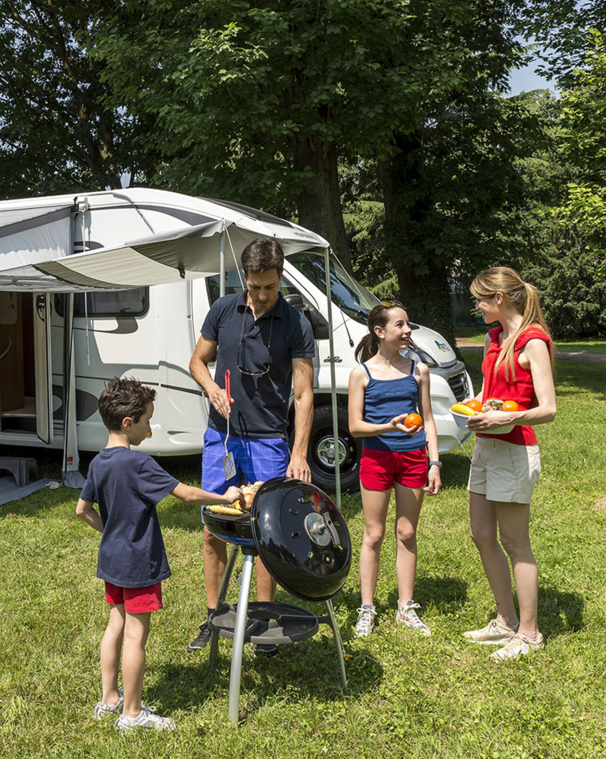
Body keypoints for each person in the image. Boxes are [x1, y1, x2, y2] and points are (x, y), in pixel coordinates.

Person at [76, 376, 241, 732]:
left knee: (115, 625)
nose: (149, 431)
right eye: (147, 421)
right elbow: (187, 495)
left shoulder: (98, 463)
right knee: (137, 635)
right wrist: (225, 497)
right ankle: (132, 714)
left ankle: (109, 699)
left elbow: (82, 510)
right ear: (127, 423)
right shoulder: (138, 465)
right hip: (137, 562)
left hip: (112, 558)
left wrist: (111, 531)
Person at [185, 237, 316, 653]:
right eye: (256, 287)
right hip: (220, 437)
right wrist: (210, 388)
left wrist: (298, 454)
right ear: (244, 277)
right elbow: (196, 361)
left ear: (280, 279)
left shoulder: (296, 323)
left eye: (270, 288)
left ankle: (262, 621)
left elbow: (304, 394)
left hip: (268, 441)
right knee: (213, 528)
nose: (262, 296)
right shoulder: (223, 310)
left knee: (266, 533)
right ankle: (213, 615)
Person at [463, 267, 556, 662]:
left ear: (499, 299)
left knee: (516, 543)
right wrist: (475, 406)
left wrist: (506, 417)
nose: (477, 307)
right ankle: (505, 619)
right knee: (481, 534)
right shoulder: (493, 338)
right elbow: (489, 391)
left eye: (481, 300)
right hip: (486, 445)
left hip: (515, 448)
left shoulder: (534, 341)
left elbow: (548, 409)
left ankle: (529, 633)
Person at [345, 303, 441, 638]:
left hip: (413, 459)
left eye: (408, 325)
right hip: (377, 459)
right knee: (373, 534)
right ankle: (367, 608)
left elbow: (427, 419)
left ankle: (405, 607)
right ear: (380, 331)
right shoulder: (361, 373)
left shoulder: (419, 370)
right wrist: (389, 426)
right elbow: (355, 427)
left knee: (407, 533)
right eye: (400, 325)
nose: (407, 331)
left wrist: (434, 462)